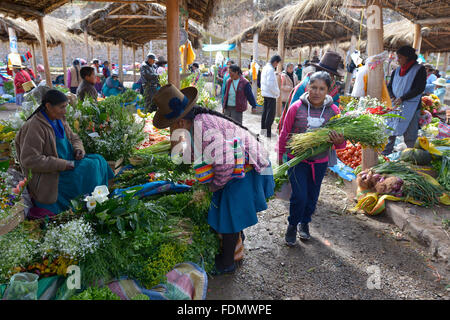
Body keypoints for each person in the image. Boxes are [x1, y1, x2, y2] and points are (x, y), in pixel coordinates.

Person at [152, 84, 274, 275]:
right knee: (229, 209)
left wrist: (212, 187)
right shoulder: (197, 123)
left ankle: (227, 262)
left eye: (173, 125)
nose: (173, 129)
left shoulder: (202, 126)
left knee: (229, 212)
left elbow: (225, 165)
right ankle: (235, 245)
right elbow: (196, 151)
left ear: (180, 123)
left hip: (247, 167)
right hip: (240, 164)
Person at [14, 89, 114, 215]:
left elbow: (74, 138)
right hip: (52, 175)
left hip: (69, 164)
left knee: (99, 160)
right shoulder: (35, 126)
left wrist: (79, 149)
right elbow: (30, 160)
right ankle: (87, 206)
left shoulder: (59, 119)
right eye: (61, 107)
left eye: (65, 107)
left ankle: (98, 200)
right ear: (48, 106)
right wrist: (63, 164)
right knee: (90, 168)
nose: (65, 111)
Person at [278, 71, 346, 245]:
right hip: (297, 160)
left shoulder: (334, 112)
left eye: (321, 88)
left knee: (312, 196)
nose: (316, 92)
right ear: (307, 87)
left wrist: (339, 141)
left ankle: (305, 223)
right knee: (299, 196)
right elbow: (285, 133)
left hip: (320, 162)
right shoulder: (296, 107)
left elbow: (341, 144)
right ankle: (292, 225)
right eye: (313, 87)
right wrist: (281, 158)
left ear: (328, 91)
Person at [278, 51, 344, 134]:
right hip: (299, 132)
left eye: (331, 76)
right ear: (319, 71)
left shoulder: (333, 88)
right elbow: (291, 115)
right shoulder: (304, 86)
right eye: (326, 74)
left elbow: (335, 113)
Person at [382, 46, 427, 155]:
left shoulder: (419, 70)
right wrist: (392, 97)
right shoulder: (396, 71)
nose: (397, 60)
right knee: (390, 130)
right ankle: (385, 155)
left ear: (408, 57)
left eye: (400, 57)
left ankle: (411, 157)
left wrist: (403, 98)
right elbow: (389, 87)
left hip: (411, 106)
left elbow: (419, 88)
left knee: (410, 135)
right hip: (395, 104)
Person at [260, 55, 282, 138]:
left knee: (265, 113)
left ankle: (263, 131)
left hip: (265, 93)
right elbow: (271, 84)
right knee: (270, 115)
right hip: (270, 94)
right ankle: (268, 133)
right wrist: (277, 92)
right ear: (275, 62)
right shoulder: (270, 69)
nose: (277, 65)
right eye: (277, 64)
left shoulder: (266, 68)